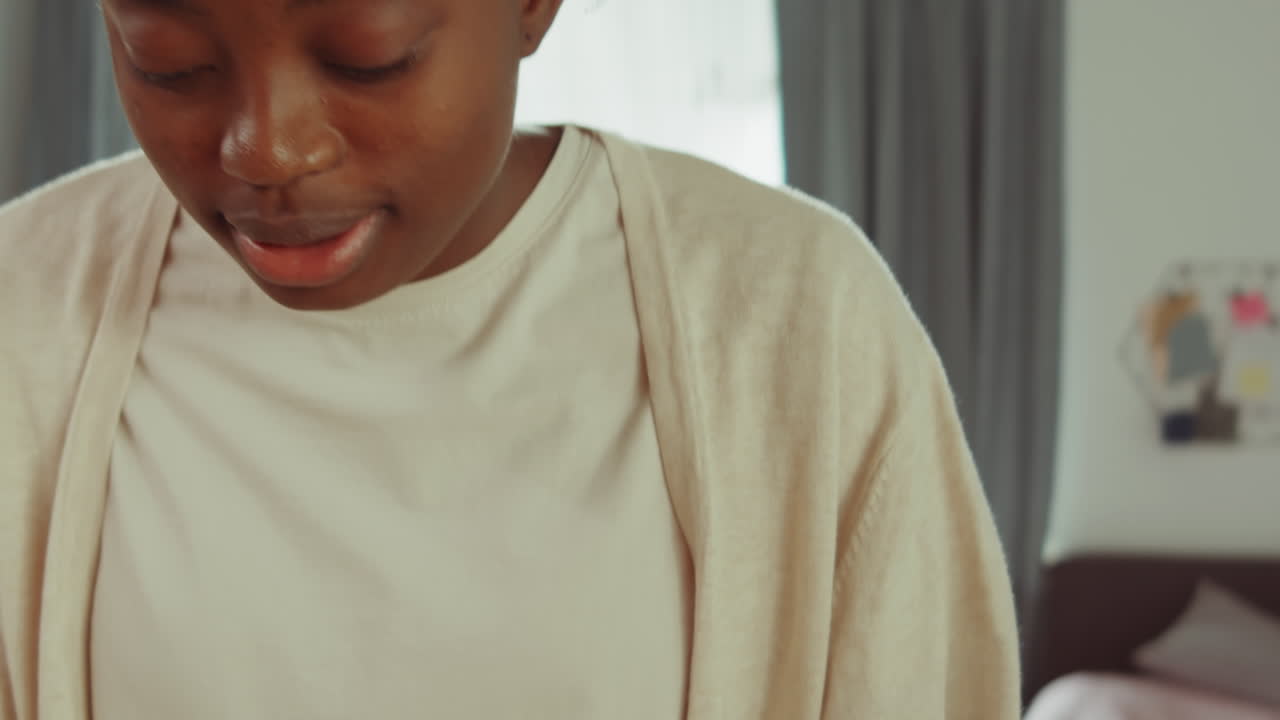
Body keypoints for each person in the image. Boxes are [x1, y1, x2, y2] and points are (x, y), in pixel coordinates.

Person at [0, 0, 1020, 717]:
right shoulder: (24, 310)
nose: (268, 150)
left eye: (369, 55)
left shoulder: (796, 320)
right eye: (167, 60)